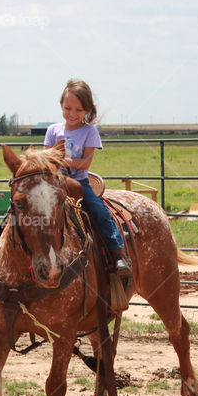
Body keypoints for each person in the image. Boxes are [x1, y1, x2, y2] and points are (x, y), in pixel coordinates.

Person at [44, 79, 131, 279]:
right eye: (68, 108)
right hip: (53, 182)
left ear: (87, 110)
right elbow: (46, 159)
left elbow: (85, 163)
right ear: (61, 105)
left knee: (100, 212)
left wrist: (63, 161)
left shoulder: (89, 132)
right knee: (22, 203)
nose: (72, 114)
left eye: (79, 109)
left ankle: (118, 253)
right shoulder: (53, 130)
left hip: (79, 184)